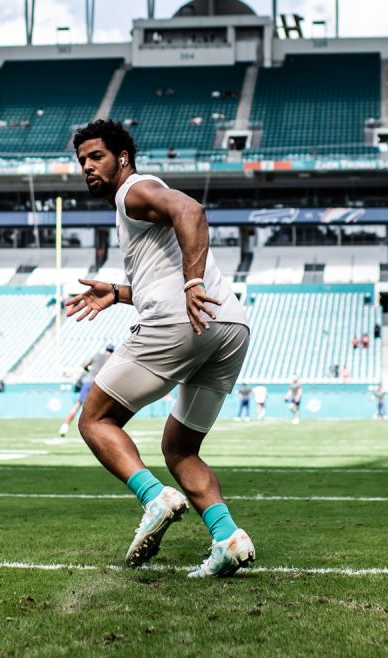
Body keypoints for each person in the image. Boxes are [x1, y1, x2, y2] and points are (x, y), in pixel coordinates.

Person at [65, 118, 255, 578]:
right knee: (181, 449)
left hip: (185, 317)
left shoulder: (134, 190)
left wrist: (192, 282)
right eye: (82, 161)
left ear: (122, 157)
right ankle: (228, 538)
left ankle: (155, 498)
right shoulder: (135, 202)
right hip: (228, 325)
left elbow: (191, 210)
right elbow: (159, 276)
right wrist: (118, 291)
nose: (88, 167)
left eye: (97, 157)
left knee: (96, 419)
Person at [60, 345, 115, 436]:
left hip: (88, 382)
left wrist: (88, 369)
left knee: (78, 404)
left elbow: (84, 365)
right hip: (99, 384)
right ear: (112, 351)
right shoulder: (111, 359)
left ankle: (65, 426)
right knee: (97, 408)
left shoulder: (97, 355)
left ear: (105, 349)